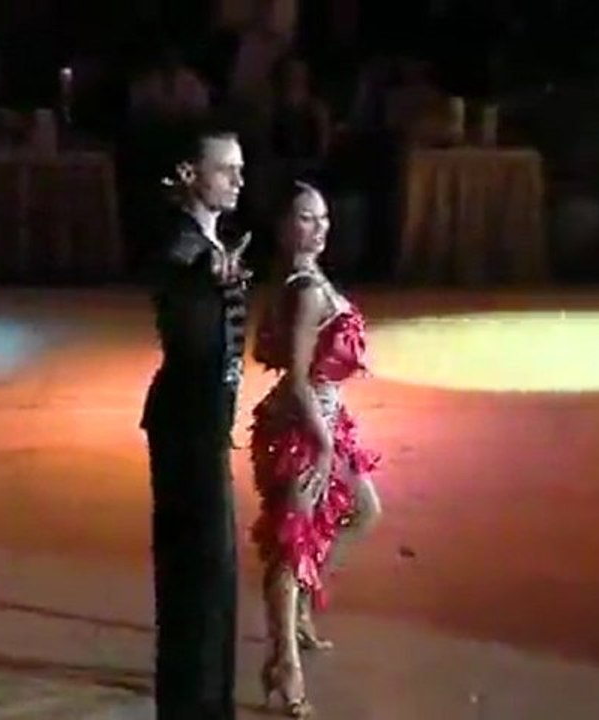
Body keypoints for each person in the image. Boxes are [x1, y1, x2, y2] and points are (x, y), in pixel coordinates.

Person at [249, 181, 382, 716]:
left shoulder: (304, 279)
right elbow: (298, 378)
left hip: (328, 418)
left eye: (323, 217)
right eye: (306, 218)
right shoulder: (303, 289)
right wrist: (323, 443)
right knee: (292, 543)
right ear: (284, 228)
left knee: (365, 510)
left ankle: (301, 606)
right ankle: (284, 661)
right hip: (302, 426)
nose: (320, 227)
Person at [140, 123, 250, 720]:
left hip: (206, 426)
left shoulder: (211, 247)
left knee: (215, 578)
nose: (237, 179)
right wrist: (206, 281)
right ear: (189, 175)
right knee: (195, 579)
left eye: (239, 168)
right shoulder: (181, 249)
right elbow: (186, 335)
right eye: (224, 168)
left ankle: (212, 704)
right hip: (186, 429)